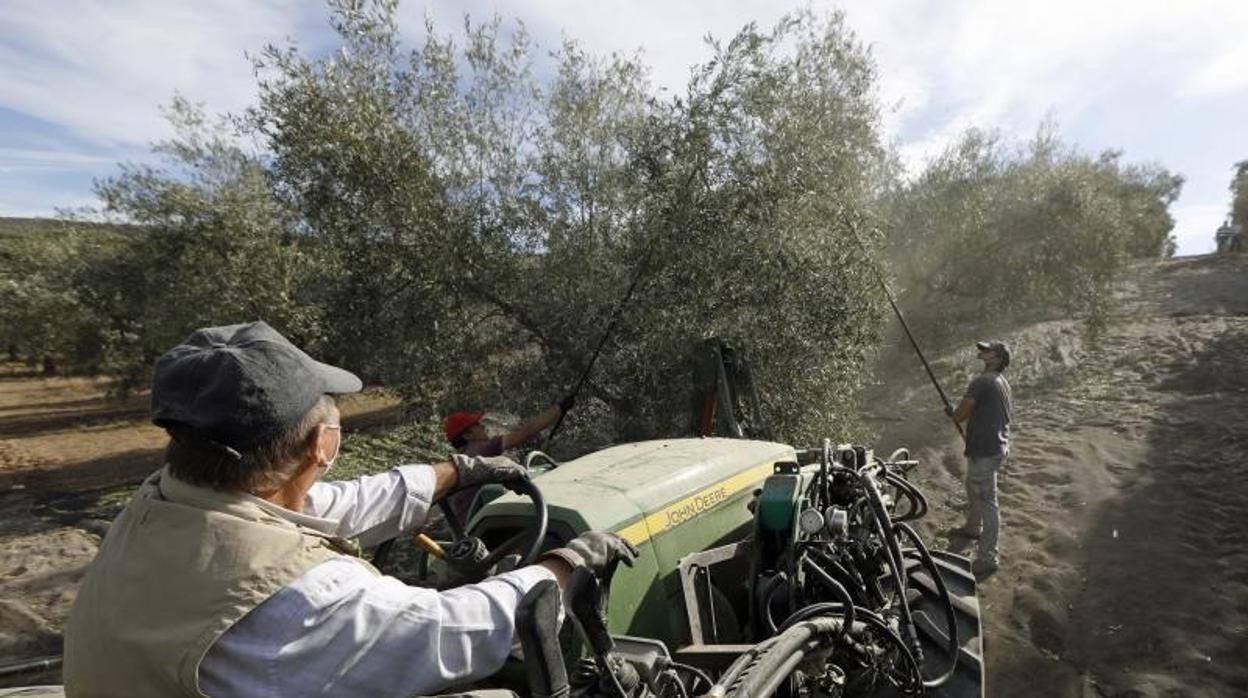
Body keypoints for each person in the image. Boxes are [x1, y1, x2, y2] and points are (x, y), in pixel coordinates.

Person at [63, 321, 635, 698]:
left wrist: (459, 471)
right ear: (324, 447)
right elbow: (461, 630)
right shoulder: (302, 602)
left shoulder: (162, 503)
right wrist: (567, 565)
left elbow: (335, 503)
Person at [443, 394, 574, 519]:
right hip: (486, 523)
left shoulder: (458, 459)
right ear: (467, 435)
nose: (483, 426)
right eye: (477, 425)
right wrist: (560, 408)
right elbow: (527, 431)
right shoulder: (482, 449)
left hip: (472, 526)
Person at [946, 340, 1013, 576]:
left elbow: (962, 412)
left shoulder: (982, 381)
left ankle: (988, 557)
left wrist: (953, 413)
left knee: (987, 501)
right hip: (994, 447)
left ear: (997, 358)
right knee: (972, 486)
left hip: (985, 450)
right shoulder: (1001, 382)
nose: (982, 351)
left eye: (988, 350)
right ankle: (973, 527)